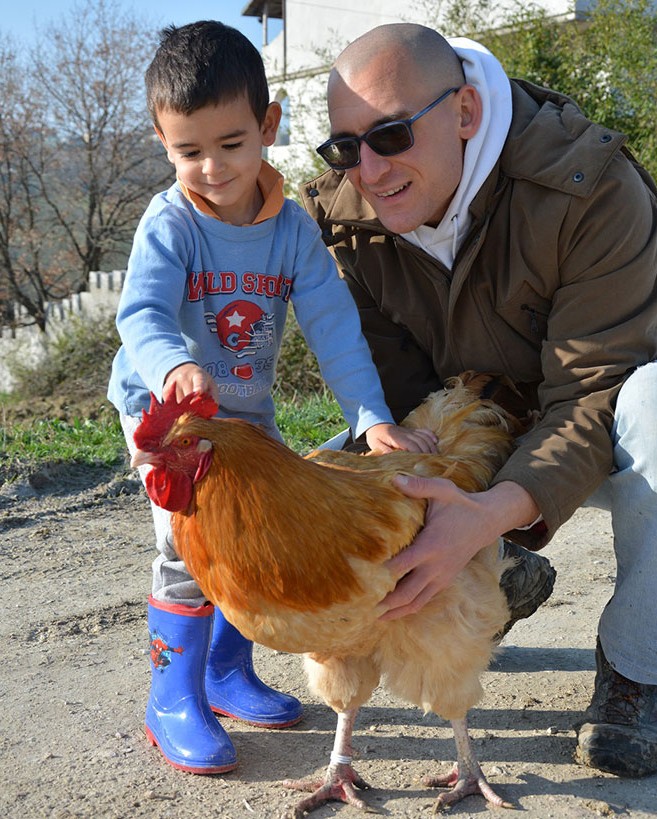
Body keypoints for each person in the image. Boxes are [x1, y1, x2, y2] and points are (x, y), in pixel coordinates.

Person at [301, 22, 657, 778]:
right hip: (472, 427)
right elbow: (397, 393)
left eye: (392, 135)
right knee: (344, 472)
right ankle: (501, 570)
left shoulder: (593, 186)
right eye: (345, 147)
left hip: (606, 431)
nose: (368, 171)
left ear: (465, 112)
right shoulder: (340, 220)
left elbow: (592, 394)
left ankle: (639, 669)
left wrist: (490, 511)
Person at [107, 20, 438, 776]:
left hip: (244, 413)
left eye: (230, 144)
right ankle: (172, 693)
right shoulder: (171, 224)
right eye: (188, 152)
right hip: (171, 418)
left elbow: (334, 328)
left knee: (255, 541)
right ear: (164, 144)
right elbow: (143, 317)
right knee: (187, 549)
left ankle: (226, 672)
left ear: (268, 126)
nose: (213, 168)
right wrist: (170, 370)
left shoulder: (291, 230)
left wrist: (372, 418)